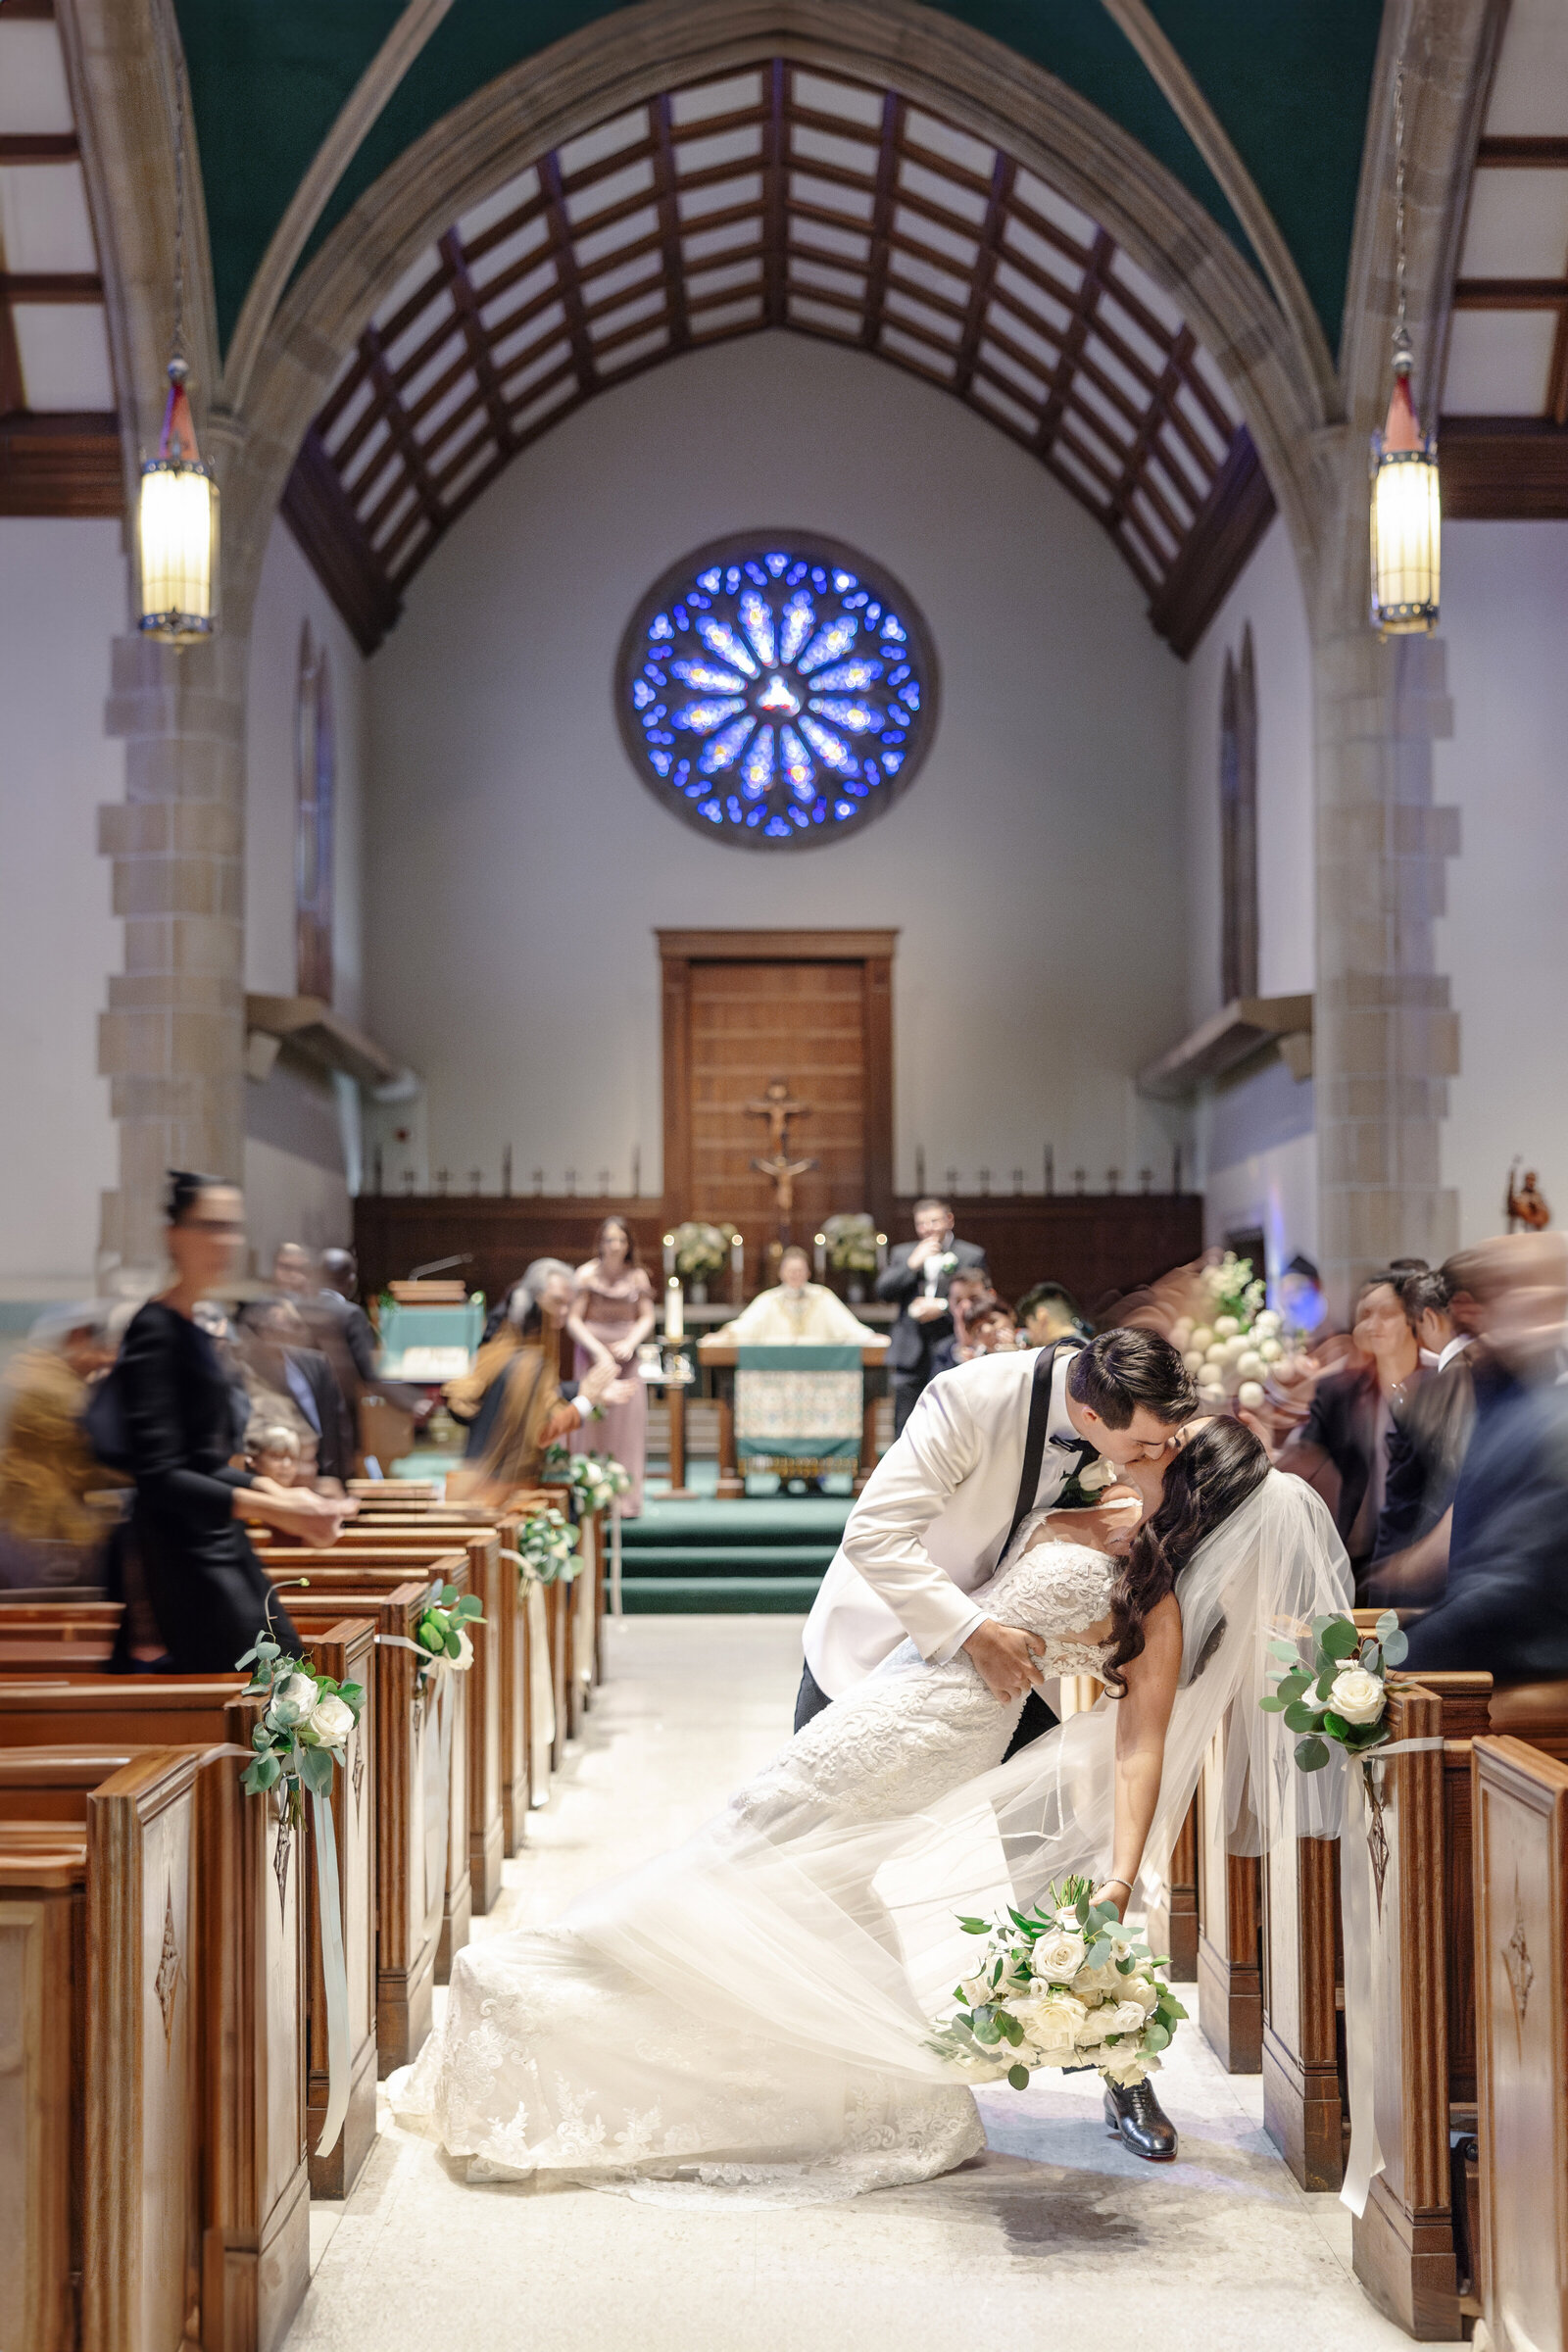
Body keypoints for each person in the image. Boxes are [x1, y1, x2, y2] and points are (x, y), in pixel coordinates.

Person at [391, 1422, 1351, 2196]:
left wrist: (1113, 1875)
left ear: (1196, 1494)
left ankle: (542, 1992)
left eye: (1174, 1451)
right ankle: (874, 2099)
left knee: (748, 1865)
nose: (1154, 1442)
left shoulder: (1156, 1601)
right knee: (777, 1874)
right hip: (886, 1700)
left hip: (931, 1737)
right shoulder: (1098, 1510)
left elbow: (1140, 1747)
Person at [114, 1172, 352, 1673]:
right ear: (173, 1234)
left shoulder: (195, 1327)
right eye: (209, 1225)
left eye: (231, 1227)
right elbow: (160, 1475)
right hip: (184, 1552)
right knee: (269, 1692)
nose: (224, 1241)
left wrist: (281, 1494)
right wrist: (275, 1510)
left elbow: (206, 1460)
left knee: (286, 1676)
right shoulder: (154, 1330)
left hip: (219, 1536)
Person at [1402, 1233, 1568, 1680]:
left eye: (1517, 1287)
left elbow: (1515, 1585)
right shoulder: (1507, 1398)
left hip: (1527, 1668)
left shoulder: (1555, 1419)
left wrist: (1401, 1661)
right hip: (1484, 1643)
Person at [1271, 1271, 1419, 1590]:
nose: (1373, 1324)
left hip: (1419, 1552)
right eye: (1366, 1314)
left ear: (1413, 1320)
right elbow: (1307, 1463)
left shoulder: (1438, 1389)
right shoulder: (1339, 1391)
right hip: (1355, 1550)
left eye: (1387, 1314)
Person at [446, 1258, 617, 1497]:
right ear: (533, 1302)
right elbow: (541, 1432)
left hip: (480, 1486)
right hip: (496, 1495)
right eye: (557, 1302)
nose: (564, 1313)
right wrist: (586, 1400)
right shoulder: (526, 1361)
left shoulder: (507, 1349)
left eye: (569, 1304)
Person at [0, 1302, 119, 1589]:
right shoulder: (54, 1389)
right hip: (42, 1533)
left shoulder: (31, 1374)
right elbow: (99, 1457)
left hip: (28, 1532)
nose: (107, 1359)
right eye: (102, 1348)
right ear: (77, 1337)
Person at [564, 1218, 657, 1516]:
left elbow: (646, 1317)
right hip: (593, 1357)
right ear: (600, 1243)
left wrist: (631, 1342)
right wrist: (598, 1352)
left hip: (627, 1359)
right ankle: (591, 1496)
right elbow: (573, 1319)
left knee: (626, 1428)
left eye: (621, 1240)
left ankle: (626, 1501)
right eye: (609, 1240)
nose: (615, 1246)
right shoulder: (586, 1275)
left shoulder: (637, 1276)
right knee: (593, 1424)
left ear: (629, 1244)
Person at [876, 1198, 989, 1435]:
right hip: (910, 1349)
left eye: (934, 1221)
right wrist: (911, 1265)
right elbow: (883, 1291)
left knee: (948, 1420)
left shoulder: (970, 1255)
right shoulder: (903, 1253)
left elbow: (982, 1300)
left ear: (949, 1220)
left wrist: (943, 1306)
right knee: (905, 1423)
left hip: (950, 1345)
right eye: (921, 1223)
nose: (928, 1228)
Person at [235, 1298, 352, 1489]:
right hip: (272, 1470)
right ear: (262, 1330)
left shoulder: (315, 1362)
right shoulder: (243, 1370)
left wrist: (340, 1473)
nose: (293, 1330)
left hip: (319, 1466)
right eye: (284, 1323)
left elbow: (337, 1423)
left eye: (293, 1323)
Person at [712, 1244, 883, 1346]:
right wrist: (723, 1336)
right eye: (791, 1270)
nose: (795, 1275)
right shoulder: (768, 1299)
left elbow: (848, 1327)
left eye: (800, 1270)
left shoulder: (822, 1296)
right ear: (781, 1273)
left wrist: (870, 1337)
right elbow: (746, 1326)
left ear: (808, 1273)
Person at [926, 1266, 997, 1375]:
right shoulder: (943, 1351)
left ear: (991, 1296)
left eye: (973, 1298)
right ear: (950, 1303)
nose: (965, 1306)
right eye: (958, 1301)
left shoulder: (1005, 1342)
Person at [1016, 1282, 1090, 1348]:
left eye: (1028, 1326)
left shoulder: (1054, 1356)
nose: (1029, 1335)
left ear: (1041, 1316)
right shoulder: (1090, 1348)